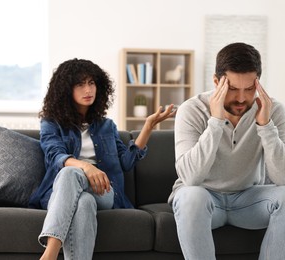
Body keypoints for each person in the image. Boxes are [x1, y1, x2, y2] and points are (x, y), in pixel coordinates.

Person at [168, 42, 285, 260]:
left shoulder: (272, 110)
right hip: (204, 199)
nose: (242, 99)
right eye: (233, 89)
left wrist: (266, 126)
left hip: (248, 200)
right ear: (217, 82)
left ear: (258, 84)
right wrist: (215, 122)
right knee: (192, 196)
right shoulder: (192, 110)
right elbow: (190, 178)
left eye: (250, 88)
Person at [28, 58, 175, 260]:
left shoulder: (107, 126)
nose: (88, 89)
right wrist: (86, 168)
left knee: (74, 177)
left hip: (103, 189)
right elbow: (54, 155)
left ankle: (50, 253)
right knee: (84, 201)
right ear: (66, 90)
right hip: (63, 189)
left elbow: (126, 162)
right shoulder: (52, 123)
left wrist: (148, 126)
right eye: (80, 84)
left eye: (91, 83)